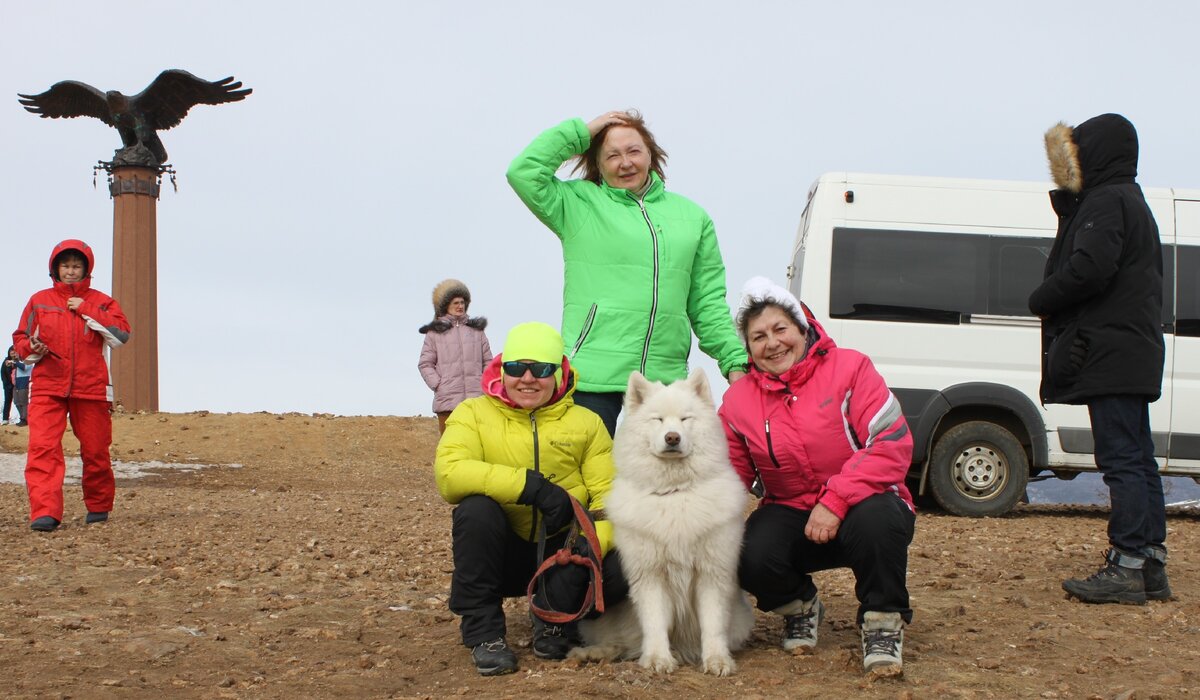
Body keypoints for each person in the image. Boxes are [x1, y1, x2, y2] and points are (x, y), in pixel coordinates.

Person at [718, 277, 915, 676]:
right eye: (758, 337)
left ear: (802, 327)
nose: (771, 343)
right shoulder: (738, 402)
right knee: (744, 550)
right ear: (748, 348)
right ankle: (800, 605)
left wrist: (836, 499)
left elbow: (891, 442)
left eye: (779, 329)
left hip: (864, 503)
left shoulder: (851, 368)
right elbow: (727, 477)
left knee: (879, 520)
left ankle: (882, 623)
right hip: (791, 509)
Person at [507, 110, 746, 436]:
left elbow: (707, 302)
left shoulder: (692, 217)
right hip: (590, 375)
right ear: (598, 163)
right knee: (587, 482)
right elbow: (523, 172)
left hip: (663, 380)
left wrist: (733, 361)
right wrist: (583, 132)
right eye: (612, 155)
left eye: (634, 151)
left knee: (662, 482)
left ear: (651, 153)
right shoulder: (577, 204)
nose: (625, 163)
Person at [1029, 114, 1168, 605]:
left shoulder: (1107, 201)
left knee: (1122, 461)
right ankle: (1150, 564)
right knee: (1139, 459)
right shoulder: (1133, 201)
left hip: (1111, 352)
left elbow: (1090, 267)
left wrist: (1041, 297)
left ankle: (1127, 565)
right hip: (1132, 350)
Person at [434, 321, 624, 676]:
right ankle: (483, 632)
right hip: (503, 553)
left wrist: (590, 546)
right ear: (501, 369)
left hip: (562, 555)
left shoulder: (588, 423)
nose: (527, 378)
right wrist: (530, 487)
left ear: (559, 372)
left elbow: (609, 498)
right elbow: (450, 474)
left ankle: (556, 618)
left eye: (541, 369)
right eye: (515, 368)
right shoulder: (472, 414)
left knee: (627, 557)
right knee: (475, 512)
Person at [12, 240, 130, 532]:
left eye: (77, 266)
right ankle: (45, 512)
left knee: (96, 450)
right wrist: (33, 346)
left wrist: (86, 308)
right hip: (47, 386)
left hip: (91, 388)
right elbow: (20, 341)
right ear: (55, 268)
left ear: (86, 269)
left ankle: (99, 505)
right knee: (42, 449)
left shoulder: (102, 301)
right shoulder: (39, 300)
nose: (70, 271)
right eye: (65, 266)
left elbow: (121, 335)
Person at [418, 279, 493, 434]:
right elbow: (425, 363)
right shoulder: (435, 332)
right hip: (447, 402)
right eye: (455, 302)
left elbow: (488, 362)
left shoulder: (477, 331)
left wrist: (482, 383)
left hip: (476, 401)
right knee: (448, 446)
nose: (460, 306)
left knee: (476, 445)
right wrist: (439, 384)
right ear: (446, 305)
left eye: (462, 302)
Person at [12, 352, 30, 426]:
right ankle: (22, 417)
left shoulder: (29, 360)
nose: (15, 355)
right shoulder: (17, 362)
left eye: (17, 353)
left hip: (24, 383)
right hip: (17, 384)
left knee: (23, 403)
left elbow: (24, 367)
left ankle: (24, 419)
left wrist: (15, 362)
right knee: (17, 402)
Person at [2, 347, 15, 424]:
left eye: (14, 350)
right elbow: (3, 374)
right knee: (7, 401)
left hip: (17, 385)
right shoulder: (6, 361)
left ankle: (23, 418)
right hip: (8, 386)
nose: (13, 352)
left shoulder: (18, 361)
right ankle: (5, 419)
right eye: (11, 350)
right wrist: (6, 384)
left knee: (19, 402)